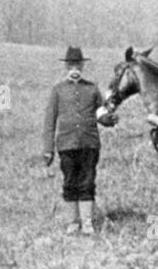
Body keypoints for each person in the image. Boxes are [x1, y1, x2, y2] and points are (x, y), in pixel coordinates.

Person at [42, 47, 117, 235]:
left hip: (89, 144)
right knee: (69, 182)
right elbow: (49, 121)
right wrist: (48, 149)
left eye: (78, 65)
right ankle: (73, 222)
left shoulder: (92, 89)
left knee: (87, 182)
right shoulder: (58, 90)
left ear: (82, 66)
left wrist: (108, 120)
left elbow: (100, 112)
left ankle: (87, 223)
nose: (74, 69)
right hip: (66, 145)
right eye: (71, 66)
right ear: (66, 67)